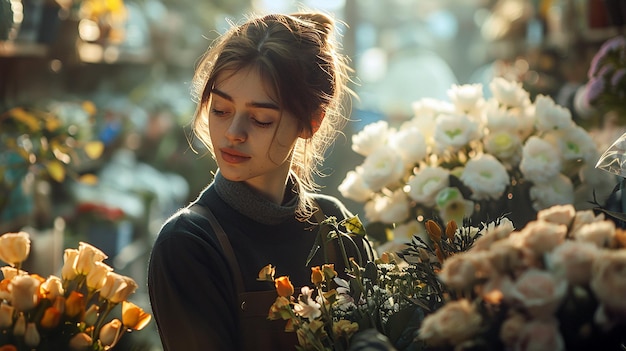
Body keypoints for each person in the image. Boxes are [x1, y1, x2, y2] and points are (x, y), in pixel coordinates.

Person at [147, 12, 376, 351]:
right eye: (221, 110)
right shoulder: (189, 243)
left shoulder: (336, 227)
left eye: (260, 119)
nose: (233, 133)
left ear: (311, 122)